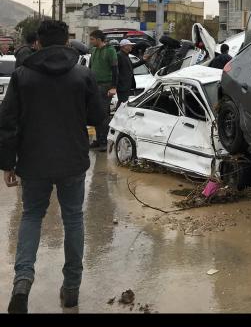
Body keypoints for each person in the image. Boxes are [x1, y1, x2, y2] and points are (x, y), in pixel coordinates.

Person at [0, 20, 104, 313]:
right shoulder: (82, 75)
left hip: (33, 162)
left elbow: (7, 123)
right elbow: (99, 116)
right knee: (73, 219)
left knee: (32, 216)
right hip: (72, 160)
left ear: (39, 44)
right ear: (67, 43)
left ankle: (22, 282)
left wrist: (8, 162)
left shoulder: (22, 76)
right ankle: (71, 288)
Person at [88, 30, 119, 152]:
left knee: (103, 114)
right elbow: (90, 68)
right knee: (95, 113)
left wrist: (114, 87)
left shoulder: (110, 51)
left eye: (92, 39)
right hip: (94, 86)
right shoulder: (93, 51)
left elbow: (115, 70)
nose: (90, 41)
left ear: (99, 39)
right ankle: (98, 139)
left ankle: (104, 141)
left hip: (106, 86)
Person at [116, 39, 149, 108]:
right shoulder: (119, 55)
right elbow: (115, 71)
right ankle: (118, 116)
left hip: (127, 85)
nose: (131, 47)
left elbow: (131, 66)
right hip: (122, 85)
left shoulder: (126, 55)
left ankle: (120, 115)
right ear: (124, 46)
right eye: (129, 45)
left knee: (123, 102)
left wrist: (143, 60)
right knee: (122, 103)